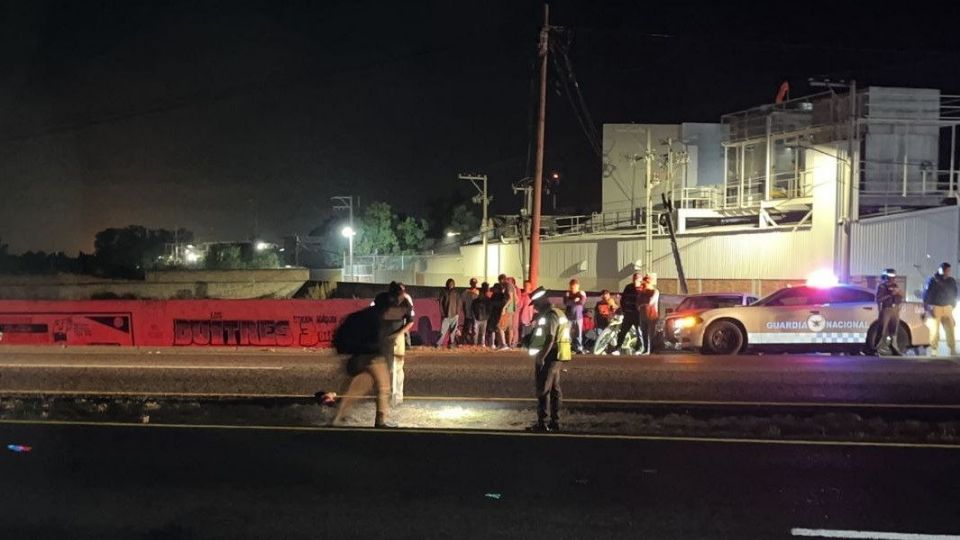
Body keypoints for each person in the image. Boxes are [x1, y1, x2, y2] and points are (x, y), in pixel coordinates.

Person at [331, 291, 397, 428]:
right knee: (383, 388)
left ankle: (338, 416)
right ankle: (380, 421)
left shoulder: (362, 315)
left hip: (356, 358)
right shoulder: (377, 319)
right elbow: (377, 341)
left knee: (357, 388)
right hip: (370, 357)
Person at [524, 287, 572, 432]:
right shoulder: (559, 313)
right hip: (559, 355)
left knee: (543, 389)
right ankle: (554, 422)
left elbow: (550, 338)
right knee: (555, 389)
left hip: (551, 355)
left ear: (542, 301)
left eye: (536, 304)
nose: (536, 308)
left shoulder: (550, 316)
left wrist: (541, 357)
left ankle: (542, 422)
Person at [924, 262, 959, 356]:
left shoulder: (951, 281)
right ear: (941, 270)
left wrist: (952, 305)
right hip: (936, 307)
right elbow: (927, 295)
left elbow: (955, 293)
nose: (948, 272)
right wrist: (928, 308)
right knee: (934, 329)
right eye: (946, 270)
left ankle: (952, 349)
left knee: (950, 329)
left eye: (949, 270)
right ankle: (934, 349)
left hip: (947, 307)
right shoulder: (933, 280)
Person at [875, 268, 904, 356]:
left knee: (894, 330)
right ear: (886, 276)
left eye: (893, 277)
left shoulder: (896, 286)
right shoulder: (882, 286)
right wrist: (890, 295)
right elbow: (879, 299)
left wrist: (899, 294)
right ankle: (877, 349)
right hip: (886, 309)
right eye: (890, 276)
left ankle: (894, 348)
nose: (892, 279)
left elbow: (900, 297)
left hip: (895, 309)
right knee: (882, 329)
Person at [615, 273, 644, 354]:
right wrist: (624, 310)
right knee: (623, 331)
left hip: (638, 314)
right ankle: (618, 348)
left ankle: (639, 348)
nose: (635, 280)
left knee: (639, 332)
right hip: (628, 313)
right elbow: (623, 299)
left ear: (640, 279)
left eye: (637, 278)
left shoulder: (643, 288)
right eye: (634, 278)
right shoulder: (628, 287)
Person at [637, 274, 660, 355]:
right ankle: (646, 349)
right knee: (644, 332)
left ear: (649, 282)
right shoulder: (642, 293)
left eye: (645, 283)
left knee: (651, 333)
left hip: (651, 314)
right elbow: (638, 304)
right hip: (643, 314)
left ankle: (652, 350)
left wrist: (643, 304)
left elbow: (651, 302)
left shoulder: (655, 291)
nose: (643, 285)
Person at [563, 278, 588, 353]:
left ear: (578, 286)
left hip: (578, 317)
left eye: (574, 287)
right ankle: (567, 347)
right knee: (567, 333)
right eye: (571, 287)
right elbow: (566, 303)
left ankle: (579, 348)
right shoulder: (567, 293)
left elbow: (582, 302)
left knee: (578, 333)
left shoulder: (582, 293)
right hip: (568, 317)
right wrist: (574, 300)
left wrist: (574, 301)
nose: (572, 288)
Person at [436, 278, 461, 349]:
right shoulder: (444, 292)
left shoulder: (456, 293)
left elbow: (459, 303)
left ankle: (451, 344)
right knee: (442, 331)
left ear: (454, 285)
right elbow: (440, 303)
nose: (450, 285)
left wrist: (457, 313)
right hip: (446, 315)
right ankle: (438, 344)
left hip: (455, 315)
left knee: (453, 332)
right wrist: (442, 313)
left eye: (452, 284)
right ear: (447, 284)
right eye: (449, 284)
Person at [499, 274, 518, 348]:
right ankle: (509, 344)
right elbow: (516, 299)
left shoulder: (508, 285)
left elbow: (510, 298)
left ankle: (504, 345)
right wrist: (513, 306)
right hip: (511, 309)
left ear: (501, 280)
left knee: (500, 326)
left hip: (508, 309)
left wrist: (504, 307)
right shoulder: (511, 286)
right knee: (509, 327)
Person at [462, 278, 480, 345]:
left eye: (475, 283)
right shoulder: (466, 292)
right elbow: (463, 302)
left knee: (475, 329)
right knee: (466, 328)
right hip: (468, 313)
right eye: (472, 283)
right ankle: (463, 342)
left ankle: (474, 343)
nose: (474, 284)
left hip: (475, 314)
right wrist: (464, 311)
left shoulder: (478, 292)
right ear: (470, 283)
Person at [472, 282, 491, 346]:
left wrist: (487, 317)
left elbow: (489, 309)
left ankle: (483, 343)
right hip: (477, 319)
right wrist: (474, 317)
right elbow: (472, 309)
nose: (481, 294)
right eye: (480, 293)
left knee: (483, 332)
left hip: (484, 319)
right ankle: (475, 343)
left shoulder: (487, 300)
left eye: (482, 293)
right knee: (475, 332)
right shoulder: (475, 301)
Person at [489, 282, 507, 349]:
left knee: (499, 328)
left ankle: (502, 344)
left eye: (495, 288)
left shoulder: (502, 295)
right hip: (493, 314)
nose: (494, 290)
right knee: (492, 329)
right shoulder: (494, 295)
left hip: (499, 314)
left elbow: (503, 303)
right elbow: (490, 303)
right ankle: (493, 344)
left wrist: (494, 303)